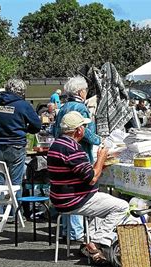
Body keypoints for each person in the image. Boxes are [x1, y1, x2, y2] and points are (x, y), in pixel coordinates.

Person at [48, 111, 129, 264]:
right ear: (79, 130)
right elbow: (92, 179)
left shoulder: (57, 144)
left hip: (60, 198)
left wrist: (100, 164)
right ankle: (96, 242)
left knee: (105, 205)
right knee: (122, 207)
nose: (85, 129)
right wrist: (101, 158)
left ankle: (90, 241)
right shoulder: (72, 148)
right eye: (84, 126)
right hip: (74, 200)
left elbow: (83, 173)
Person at [52, 76, 101, 242]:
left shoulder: (64, 106)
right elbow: (84, 132)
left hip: (61, 150)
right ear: (81, 91)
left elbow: (55, 129)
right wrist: (98, 140)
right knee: (77, 189)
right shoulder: (79, 107)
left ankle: (68, 231)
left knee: (66, 186)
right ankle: (76, 233)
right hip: (77, 152)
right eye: (85, 90)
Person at [0, 78, 41, 199]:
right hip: (16, 146)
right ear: (21, 91)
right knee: (16, 183)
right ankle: (16, 215)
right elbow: (37, 125)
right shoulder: (23, 105)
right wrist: (26, 130)